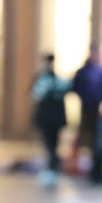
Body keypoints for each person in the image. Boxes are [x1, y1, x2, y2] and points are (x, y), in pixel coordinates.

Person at [31, 53, 70, 188]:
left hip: (50, 118)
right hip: (53, 118)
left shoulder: (46, 80)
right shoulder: (57, 81)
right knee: (51, 144)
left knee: (51, 144)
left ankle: (52, 168)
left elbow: (35, 96)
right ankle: (52, 167)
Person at [72, 50, 102, 182]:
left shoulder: (97, 72)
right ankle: (89, 167)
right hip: (90, 109)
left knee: (93, 138)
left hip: (94, 109)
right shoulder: (95, 72)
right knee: (89, 138)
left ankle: (93, 168)